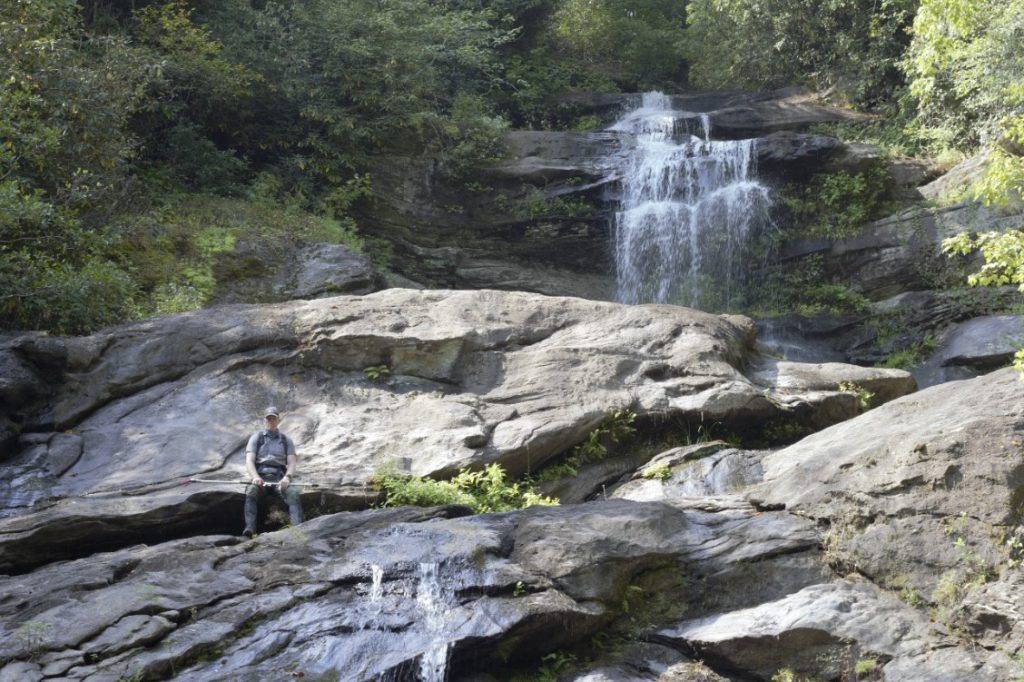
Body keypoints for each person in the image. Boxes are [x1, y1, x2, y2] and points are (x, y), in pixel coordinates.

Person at [243, 406, 303, 537]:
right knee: (251, 491)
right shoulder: (256, 437)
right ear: (264, 420)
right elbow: (249, 461)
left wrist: (287, 477)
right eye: (268, 418)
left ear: (278, 420)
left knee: (293, 493)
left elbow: (292, 462)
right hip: (261, 477)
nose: (271, 420)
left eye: (273, 418)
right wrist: (255, 477)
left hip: (279, 478)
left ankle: (298, 529)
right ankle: (250, 529)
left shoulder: (286, 440)